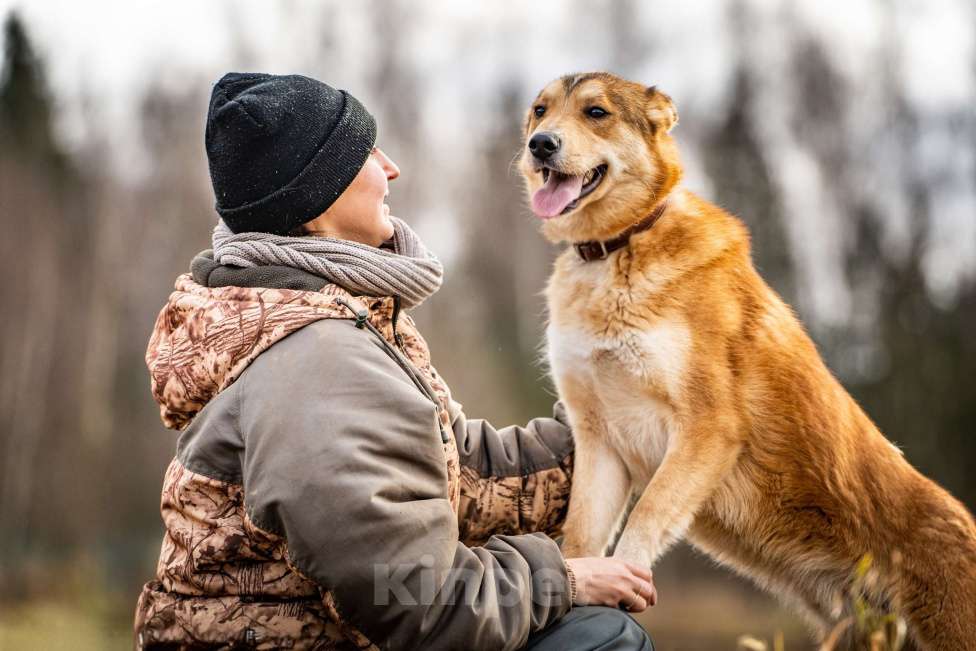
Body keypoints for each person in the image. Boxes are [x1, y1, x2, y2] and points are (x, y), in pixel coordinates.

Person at [133, 72, 656, 651]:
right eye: (364, 153)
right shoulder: (316, 366)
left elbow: (456, 470)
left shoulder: (326, 318)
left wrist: (602, 424)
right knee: (601, 639)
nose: (390, 167)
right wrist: (562, 578)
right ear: (316, 196)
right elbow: (410, 600)